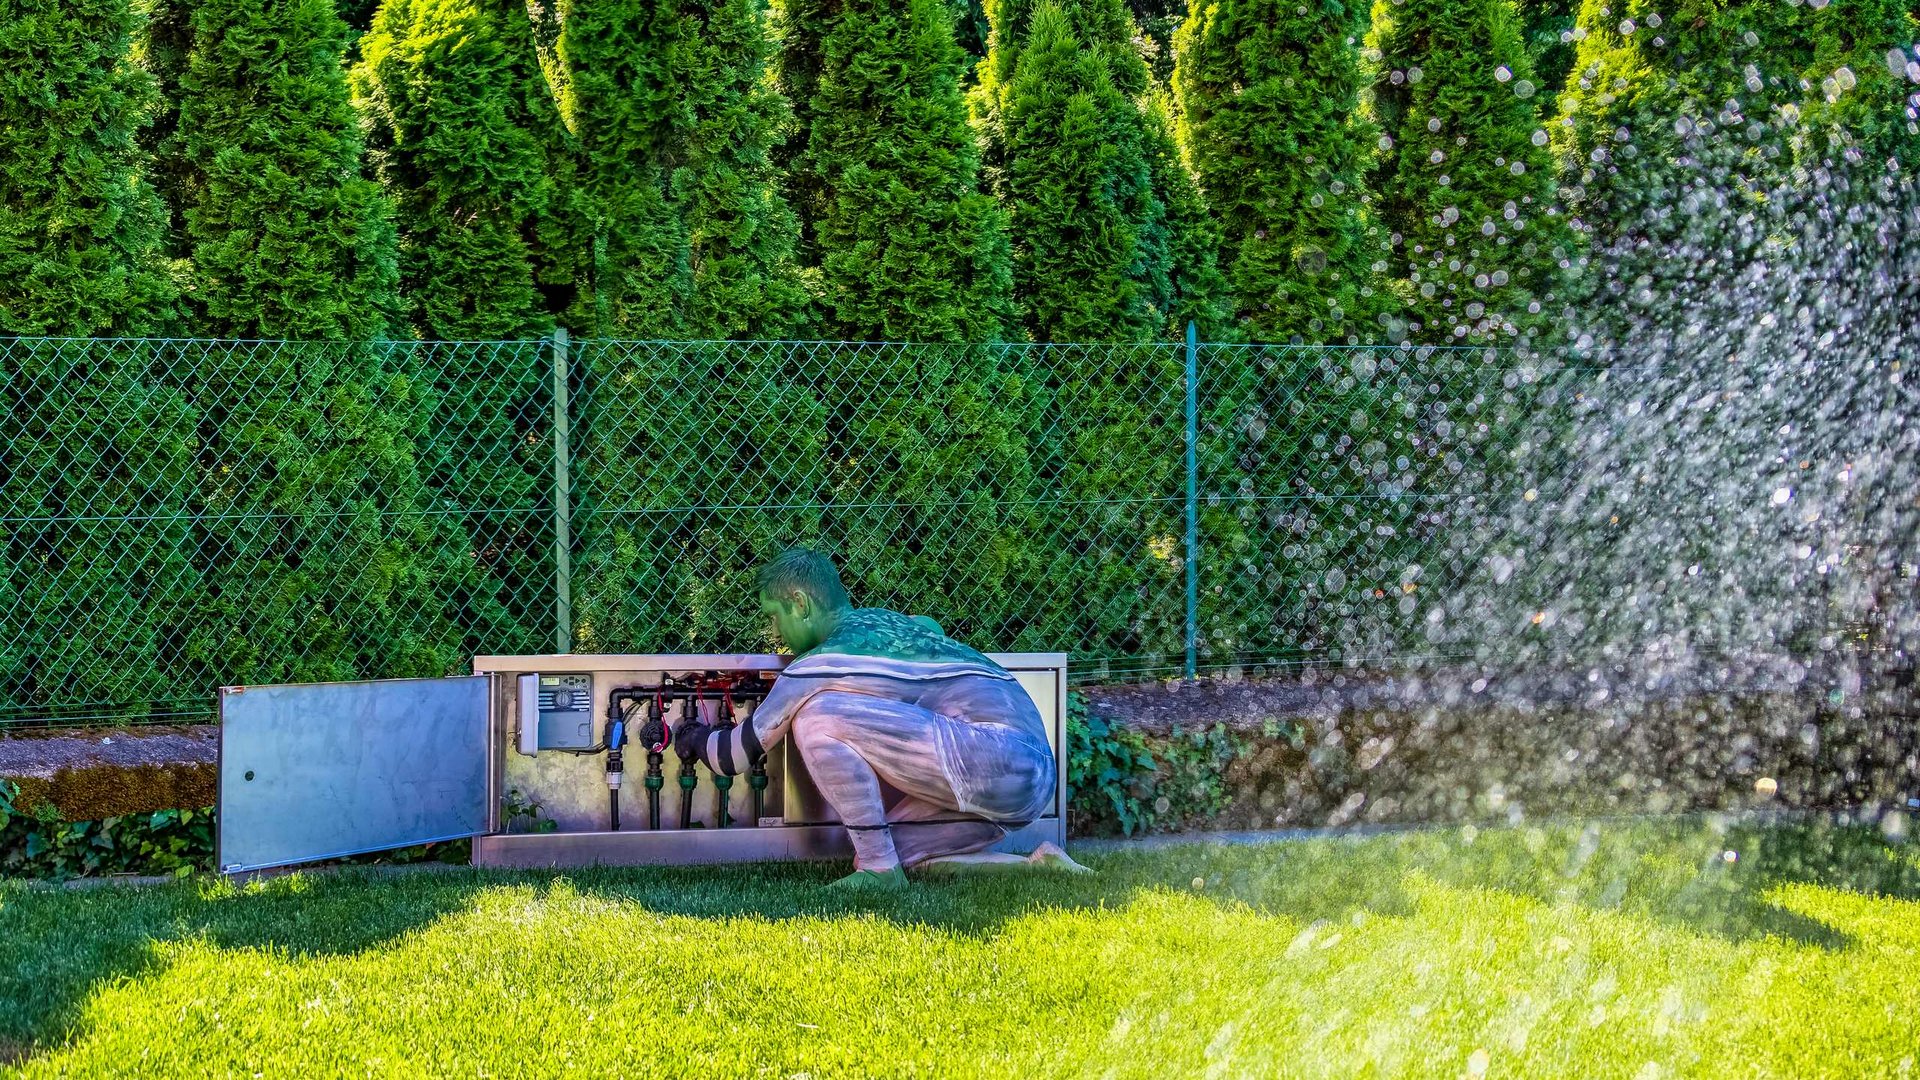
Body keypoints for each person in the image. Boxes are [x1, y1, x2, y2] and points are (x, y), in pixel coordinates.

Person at [673, 546, 1085, 889]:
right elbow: (930, 633)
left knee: (816, 716)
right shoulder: (904, 624)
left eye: (774, 616)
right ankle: (1039, 864)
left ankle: (878, 870)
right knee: (908, 853)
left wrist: (691, 735)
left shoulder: (820, 663)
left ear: (800, 603)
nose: (776, 631)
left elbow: (734, 757)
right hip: (1030, 774)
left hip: (998, 760)